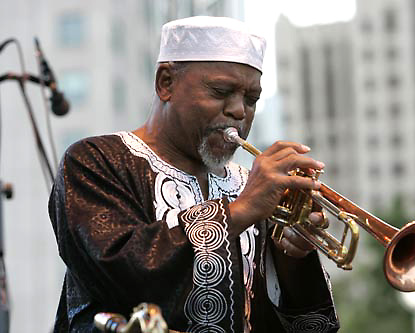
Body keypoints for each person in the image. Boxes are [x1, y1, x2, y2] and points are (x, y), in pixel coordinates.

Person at [49, 16, 340, 332]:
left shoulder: (251, 185)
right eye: (220, 91)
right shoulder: (95, 161)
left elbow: (311, 327)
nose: (239, 111)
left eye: (251, 99)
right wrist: (240, 211)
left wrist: (290, 256)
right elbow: (120, 275)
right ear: (166, 83)